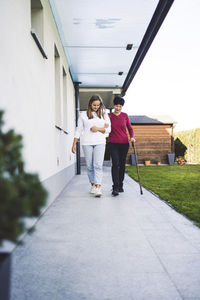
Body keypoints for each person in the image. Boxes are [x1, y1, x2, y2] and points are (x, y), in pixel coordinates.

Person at [72, 95, 111, 197]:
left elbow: (108, 129)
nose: (96, 107)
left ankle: (98, 187)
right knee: (89, 166)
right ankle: (93, 185)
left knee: (97, 165)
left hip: (100, 142)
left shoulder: (104, 114)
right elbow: (78, 130)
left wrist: (98, 129)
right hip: (87, 143)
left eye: (98, 105)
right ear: (90, 104)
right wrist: (74, 144)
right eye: (94, 105)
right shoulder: (83, 115)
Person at [108, 96, 135, 196]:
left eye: (120, 106)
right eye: (116, 105)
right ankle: (115, 187)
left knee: (122, 165)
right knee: (115, 163)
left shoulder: (125, 116)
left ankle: (120, 185)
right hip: (113, 143)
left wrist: (132, 137)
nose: (118, 108)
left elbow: (130, 128)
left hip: (124, 143)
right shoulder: (109, 116)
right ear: (113, 105)